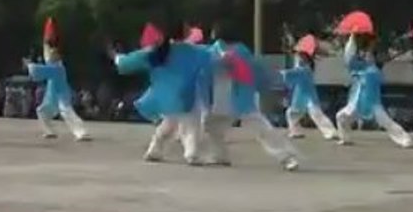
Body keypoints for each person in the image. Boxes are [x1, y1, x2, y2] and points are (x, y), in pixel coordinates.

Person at [201, 33, 301, 171]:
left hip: (239, 98)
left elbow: (252, 71)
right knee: (213, 126)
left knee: (261, 128)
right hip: (223, 98)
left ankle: (287, 157)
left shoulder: (240, 52)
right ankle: (219, 156)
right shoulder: (216, 50)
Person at [112, 30, 211, 165]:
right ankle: (191, 153)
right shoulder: (193, 51)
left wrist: (117, 57)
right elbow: (212, 58)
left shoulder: (156, 51)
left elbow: (126, 63)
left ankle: (154, 150)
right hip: (186, 95)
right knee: (191, 125)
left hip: (165, 97)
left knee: (170, 123)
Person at [335, 34, 413, 148]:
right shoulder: (360, 69)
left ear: (373, 59)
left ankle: (405, 139)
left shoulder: (374, 71)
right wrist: (352, 38)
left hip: (372, 103)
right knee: (341, 116)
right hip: (356, 103)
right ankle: (345, 138)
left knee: (386, 122)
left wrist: (363, 75)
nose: (367, 56)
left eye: (369, 55)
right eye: (365, 55)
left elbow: (376, 77)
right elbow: (348, 58)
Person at [26, 39, 89, 141]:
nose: (51, 55)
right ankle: (49, 131)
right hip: (52, 95)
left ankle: (81, 132)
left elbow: (40, 71)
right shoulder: (53, 65)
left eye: (53, 53)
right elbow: (46, 60)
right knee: (42, 111)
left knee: (67, 112)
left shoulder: (58, 67)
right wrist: (46, 45)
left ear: (58, 56)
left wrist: (30, 66)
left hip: (61, 95)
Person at [281, 44, 338, 141]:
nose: (298, 58)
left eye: (299, 56)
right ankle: (295, 131)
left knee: (316, 114)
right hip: (300, 96)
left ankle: (331, 132)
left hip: (309, 96)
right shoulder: (303, 67)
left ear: (305, 58)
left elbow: (291, 74)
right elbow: (293, 76)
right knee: (291, 113)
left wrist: (282, 73)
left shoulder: (305, 69)